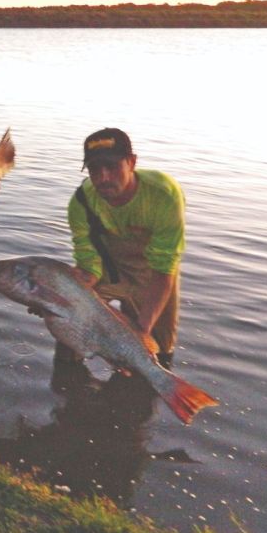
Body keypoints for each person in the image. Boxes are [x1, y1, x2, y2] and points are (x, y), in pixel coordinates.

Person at [66, 127, 185, 368]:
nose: (104, 177)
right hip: (106, 267)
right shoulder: (81, 201)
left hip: (153, 274)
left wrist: (140, 333)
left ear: (132, 162)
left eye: (112, 166)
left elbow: (164, 269)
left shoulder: (163, 195)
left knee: (157, 352)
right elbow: (89, 264)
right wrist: (58, 298)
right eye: (95, 170)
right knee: (69, 331)